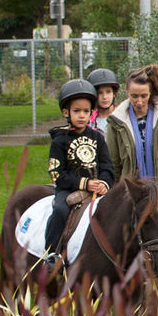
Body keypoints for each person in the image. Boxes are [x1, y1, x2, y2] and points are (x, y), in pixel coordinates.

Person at [43, 79, 115, 270]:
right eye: (76, 111)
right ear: (66, 112)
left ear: (91, 112)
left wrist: (104, 184)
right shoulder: (59, 141)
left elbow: (107, 166)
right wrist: (85, 184)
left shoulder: (98, 137)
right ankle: (51, 253)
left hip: (97, 190)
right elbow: (57, 174)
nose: (82, 115)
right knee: (59, 210)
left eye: (86, 111)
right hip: (68, 190)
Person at [105, 64, 158, 183]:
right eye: (134, 96)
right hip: (132, 193)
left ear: (150, 93)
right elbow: (113, 164)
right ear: (127, 92)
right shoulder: (116, 121)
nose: (139, 101)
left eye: (144, 96)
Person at [86, 67, 120, 133]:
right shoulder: (88, 121)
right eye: (99, 93)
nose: (104, 97)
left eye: (108, 92)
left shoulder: (122, 116)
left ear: (114, 93)